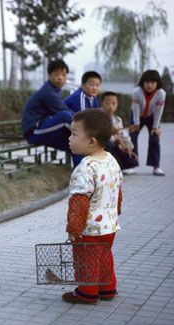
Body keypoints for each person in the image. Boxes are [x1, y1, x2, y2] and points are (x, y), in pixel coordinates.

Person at [63, 109, 123, 304]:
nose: (69, 138)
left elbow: (79, 202)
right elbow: (117, 192)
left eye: (74, 133)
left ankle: (87, 293)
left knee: (86, 260)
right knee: (104, 257)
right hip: (109, 225)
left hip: (89, 229)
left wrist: (74, 229)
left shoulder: (85, 168)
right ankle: (107, 288)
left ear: (91, 141)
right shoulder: (111, 161)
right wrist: (116, 212)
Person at [21, 59, 81, 167]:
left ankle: (82, 176)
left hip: (45, 128)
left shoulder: (55, 90)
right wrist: (86, 125)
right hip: (34, 132)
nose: (61, 78)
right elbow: (64, 111)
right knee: (65, 116)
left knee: (77, 146)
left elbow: (64, 109)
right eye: (56, 74)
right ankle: (86, 133)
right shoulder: (48, 92)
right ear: (49, 76)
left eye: (63, 75)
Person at [126, 70, 166, 176]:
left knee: (155, 139)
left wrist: (156, 127)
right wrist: (136, 124)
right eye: (147, 82)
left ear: (157, 83)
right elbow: (135, 109)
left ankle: (156, 167)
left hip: (152, 116)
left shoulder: (161, 93)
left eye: (152, 82)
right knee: (132, 138)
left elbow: (159, 111)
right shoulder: (136, 92)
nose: (149, 85)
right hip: (136, 115)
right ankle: (131, 165)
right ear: (143, 82)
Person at [101, 91, 139, 173]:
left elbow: (123, 136)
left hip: (116, 146)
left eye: (113, 104)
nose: (110, 106)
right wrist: (116, 139)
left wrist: (127, 147)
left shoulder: (118, 120)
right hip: (105, 147)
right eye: (107, 103)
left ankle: (121, 165)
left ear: (117, 105)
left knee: (133, 160)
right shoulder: (97, 117)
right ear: (102, 104)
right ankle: (117, 166)